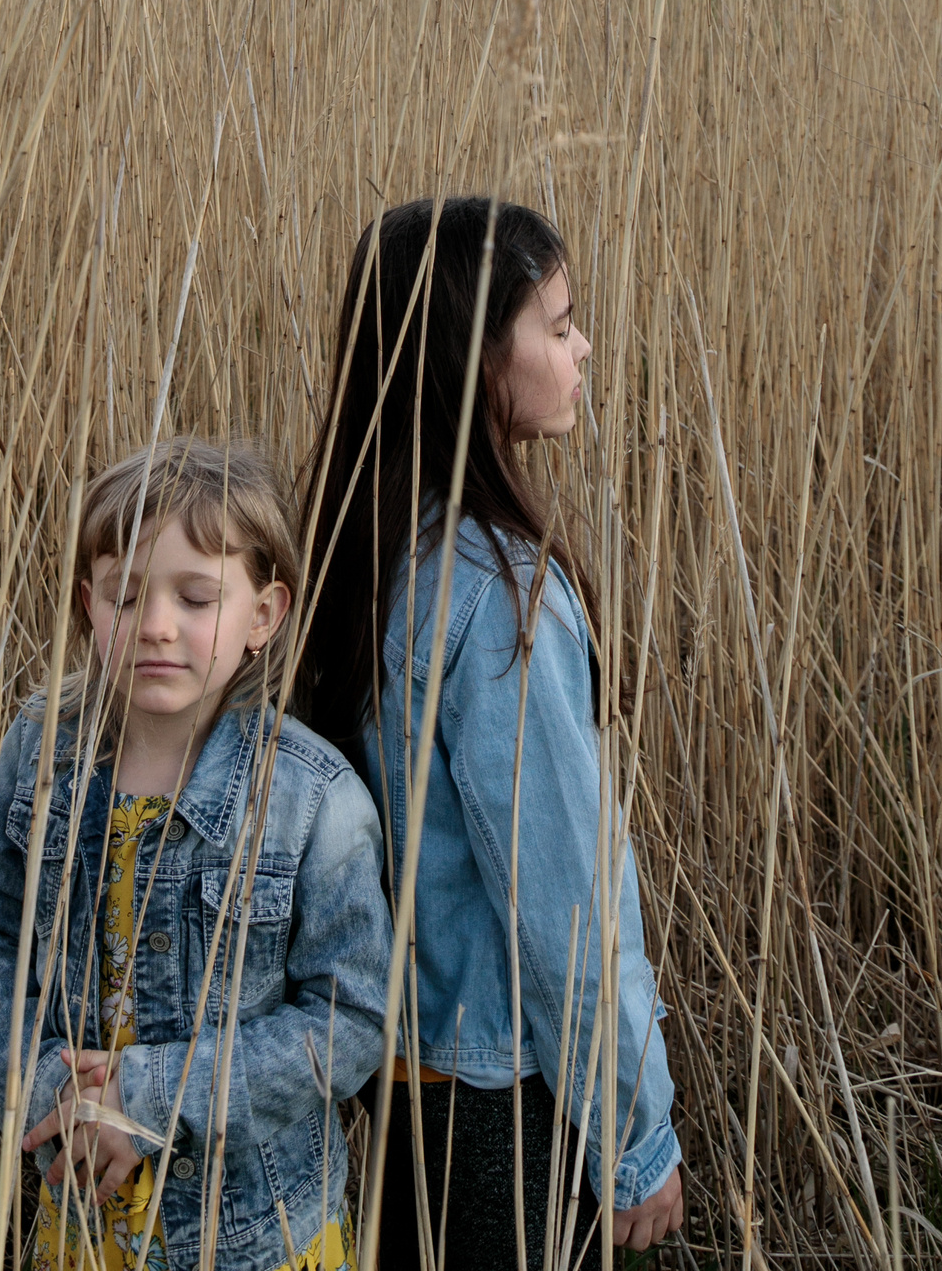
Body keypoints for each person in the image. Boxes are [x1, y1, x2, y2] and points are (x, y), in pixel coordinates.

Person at [297, 196, 686, 1268]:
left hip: (395, 1072)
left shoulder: (359, 546)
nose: (583, 347)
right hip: (501, 1098)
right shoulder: (502, 599)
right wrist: (635, 1135)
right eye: (556, 327)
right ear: (473, 359)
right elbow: (564, 907)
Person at [0, 437, 392, 1271]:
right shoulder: (41, 754)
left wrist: (150, 1096)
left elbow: (351, 1019)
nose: (155, 626)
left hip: (255, 1236)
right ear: (87, 604)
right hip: (84, 1220)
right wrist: (51, 1089)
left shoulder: (310, 798)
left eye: (196, 599)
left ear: (262, 616)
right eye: (124, 596)